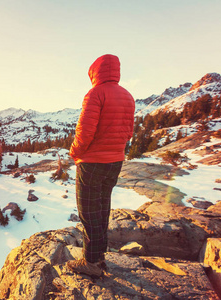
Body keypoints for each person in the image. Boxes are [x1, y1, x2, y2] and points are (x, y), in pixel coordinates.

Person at [67, 54, 135, 277]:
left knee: (89, 213)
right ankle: (99, 256)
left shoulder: (95, 93)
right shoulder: (128, 96)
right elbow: (128, 133)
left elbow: (84, 132)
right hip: (114, 162)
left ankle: (91, 263)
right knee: (102, 209)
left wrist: (74, 152)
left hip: (92, 163)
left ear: (95, 71)